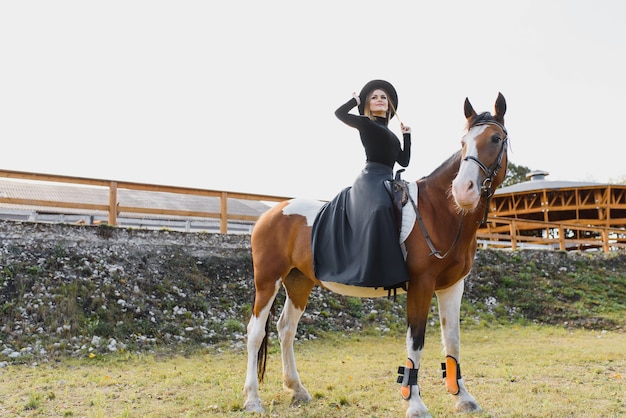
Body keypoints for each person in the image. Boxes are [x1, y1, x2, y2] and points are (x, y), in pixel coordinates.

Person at [311, 79, 411, 290]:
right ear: (367, 104)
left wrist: (407, 136)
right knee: (380, 208)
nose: (379, 99)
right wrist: (354, 100)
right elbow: (339, 114)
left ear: (389, 104)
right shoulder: (366, 123)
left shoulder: (392, 135)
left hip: (389, 177)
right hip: (371, 176)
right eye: (374, 97)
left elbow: (404, 161)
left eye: (383, 97)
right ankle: (376, 268)